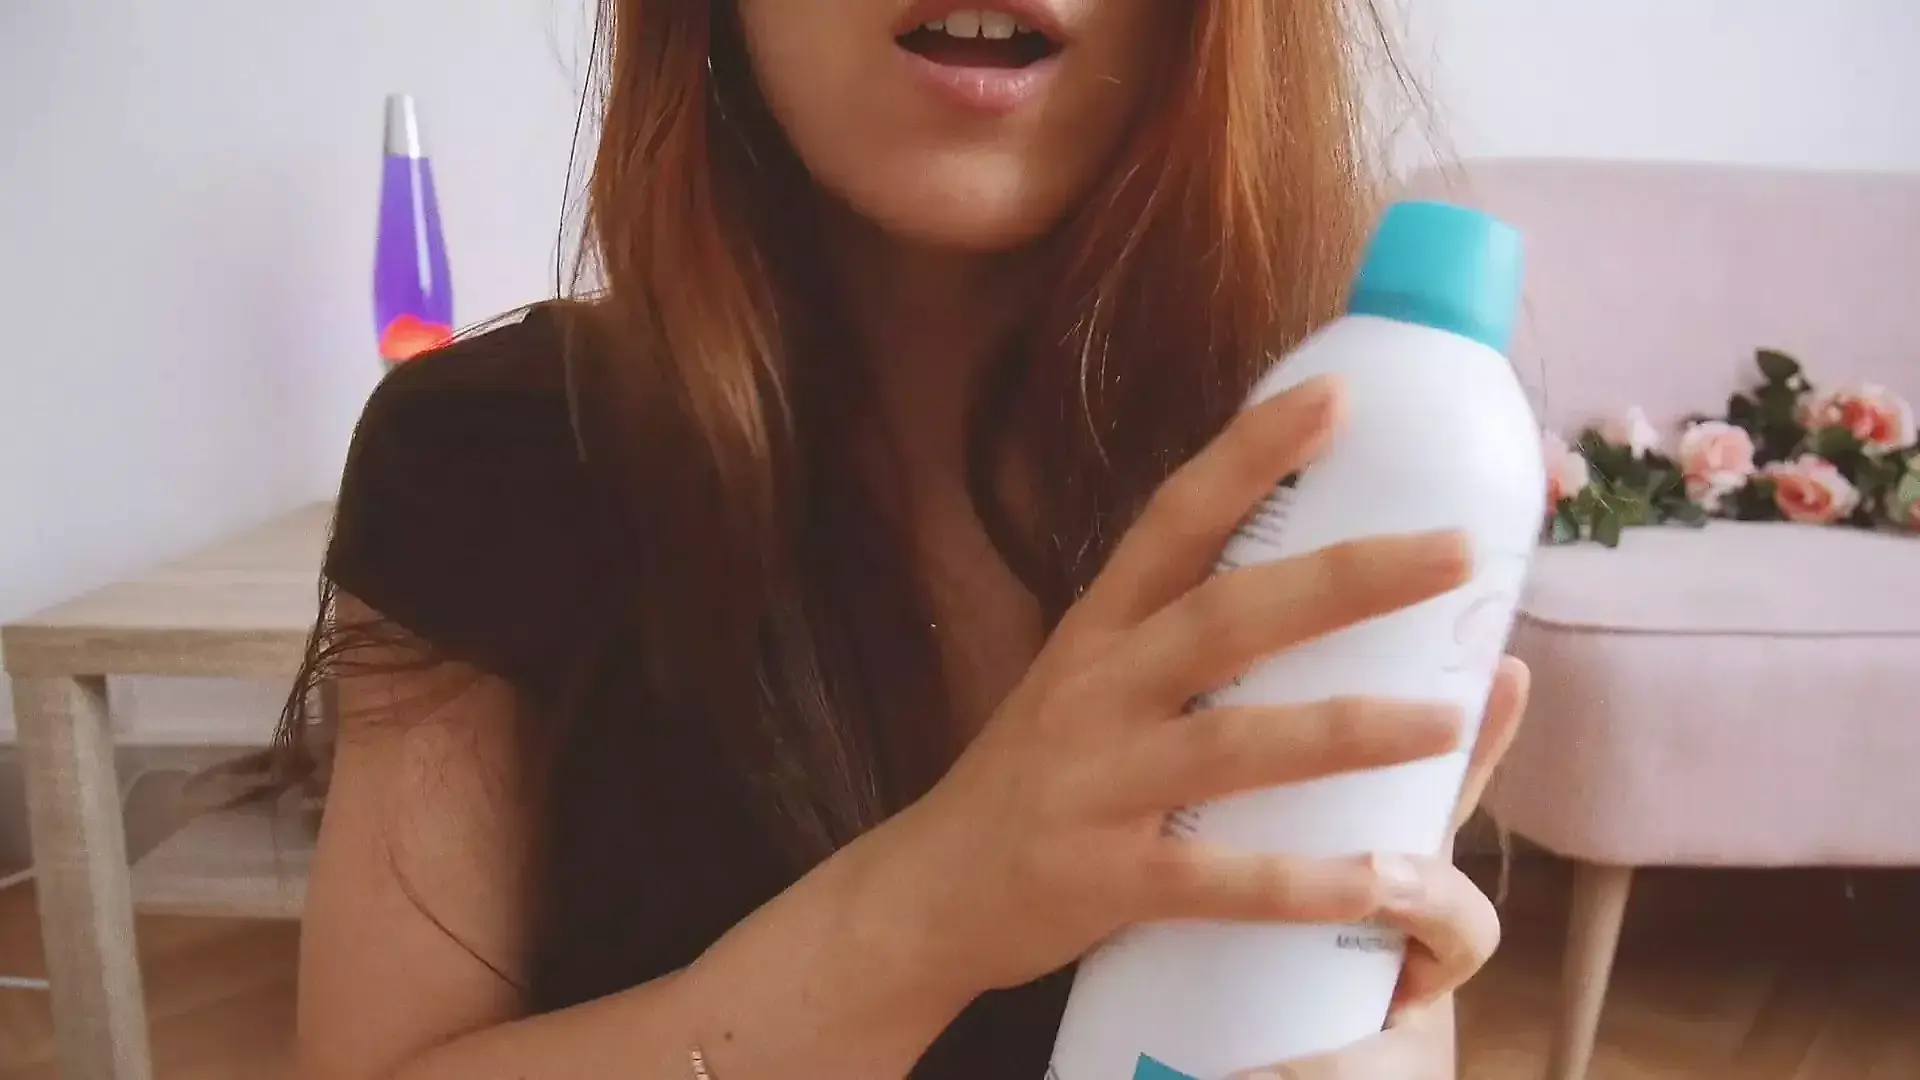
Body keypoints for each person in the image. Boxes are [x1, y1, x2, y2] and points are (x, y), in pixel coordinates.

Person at [281, 1, 1532, 1077]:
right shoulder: (490, 457)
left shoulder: (1328, 475)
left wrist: (1387, 1024)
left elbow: (1365, 1008)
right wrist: (927, 912)